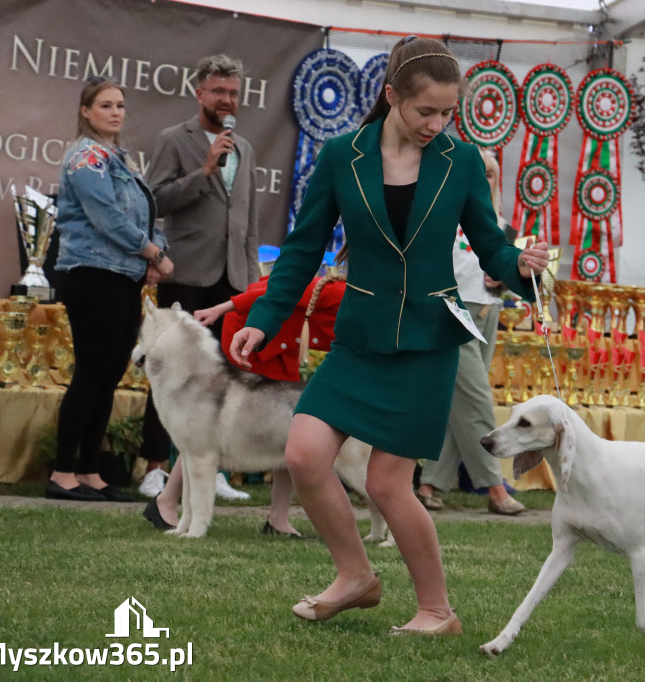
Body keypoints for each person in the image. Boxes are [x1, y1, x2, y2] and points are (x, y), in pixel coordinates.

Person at [229, 35, 551, 635]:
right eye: (425, 110)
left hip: (428, 344)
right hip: (359, 339)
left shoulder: (460, 163)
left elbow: (491, 245)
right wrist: (262, 320)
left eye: (448, 112)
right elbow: (302, 251)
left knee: (385, 483)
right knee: (302, 454)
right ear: (391, 97)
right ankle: (355, 577)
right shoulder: (340, 155)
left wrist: (520, 266)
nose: (438, 124)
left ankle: (437, 612)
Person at [138, 53, 260, 499]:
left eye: (233, 92)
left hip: (231, 278)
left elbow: (248, 218)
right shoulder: (176, 139)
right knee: (172, 371)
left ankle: (212, 470)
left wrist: (250, 280)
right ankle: (155, 465)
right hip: (187, 272)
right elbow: (154, 201)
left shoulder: (244, 147)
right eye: (219, 92)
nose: (227, 99)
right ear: (200, 93)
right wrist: (204, 171)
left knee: (221, 376)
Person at [142, 274, 346, 536]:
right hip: (251, 334)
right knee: (203, 430)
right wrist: (220, 308)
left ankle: (278, 520)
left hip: (284, 345)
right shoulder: (339, 292)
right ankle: (166, 501)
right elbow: (269, 292)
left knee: (289, 430)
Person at [48, 76, 173, 502]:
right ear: (86, 112)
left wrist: (153, 254)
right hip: (92, 272)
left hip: (122, 274)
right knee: (90, 372)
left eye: (120, 105)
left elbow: (141, 213)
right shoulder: (85, 158)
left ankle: (89, 471)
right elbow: (106, 217)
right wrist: (153, 253)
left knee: (108, 375)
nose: (116, 112)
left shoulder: (117, 157)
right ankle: (62, 473)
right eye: (105, 105)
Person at [416, 148, 525, 515]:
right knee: (477, 401)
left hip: (489, 313)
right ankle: (495, 487)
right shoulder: (447, 215)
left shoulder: (502, 223)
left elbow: (506, 278)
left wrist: (506, 277)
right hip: (454, 313)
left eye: (492, 173)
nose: (486, 179)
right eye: (480, 172)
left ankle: (429, 483)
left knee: (457, 404)